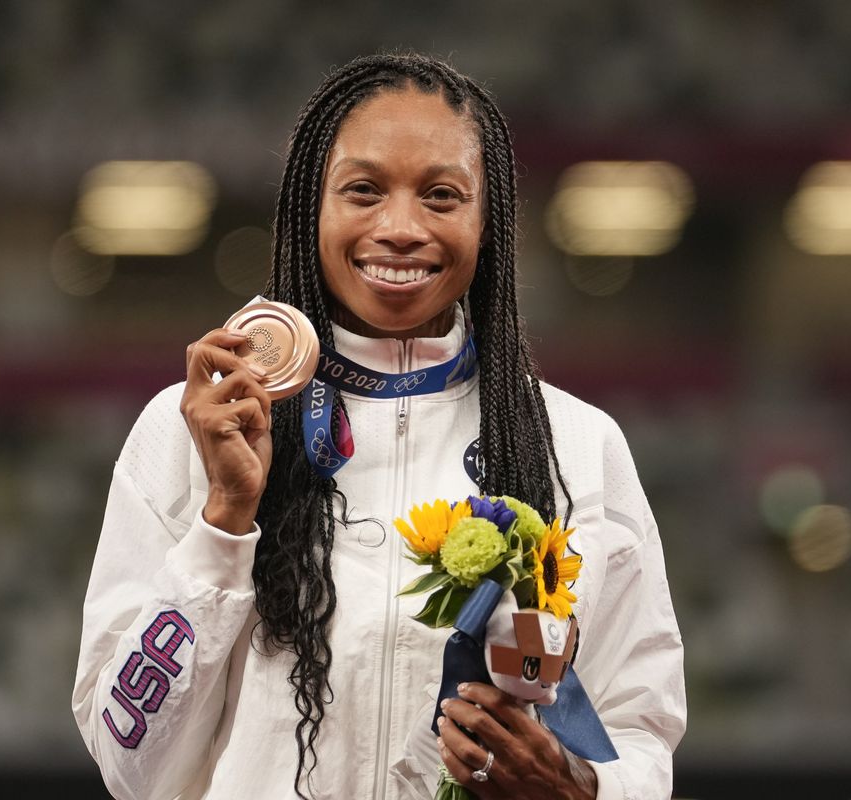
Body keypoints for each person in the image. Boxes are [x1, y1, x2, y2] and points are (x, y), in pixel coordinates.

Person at [72, 53, 685, 800]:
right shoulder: (195, 433)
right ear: (312, 208)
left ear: (486, 221)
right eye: (363, 190)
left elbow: (643, 736)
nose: (400, 228)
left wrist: (579, 787)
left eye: (441, 195)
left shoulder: (577, 447)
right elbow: (127, 763)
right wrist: (225, 522)